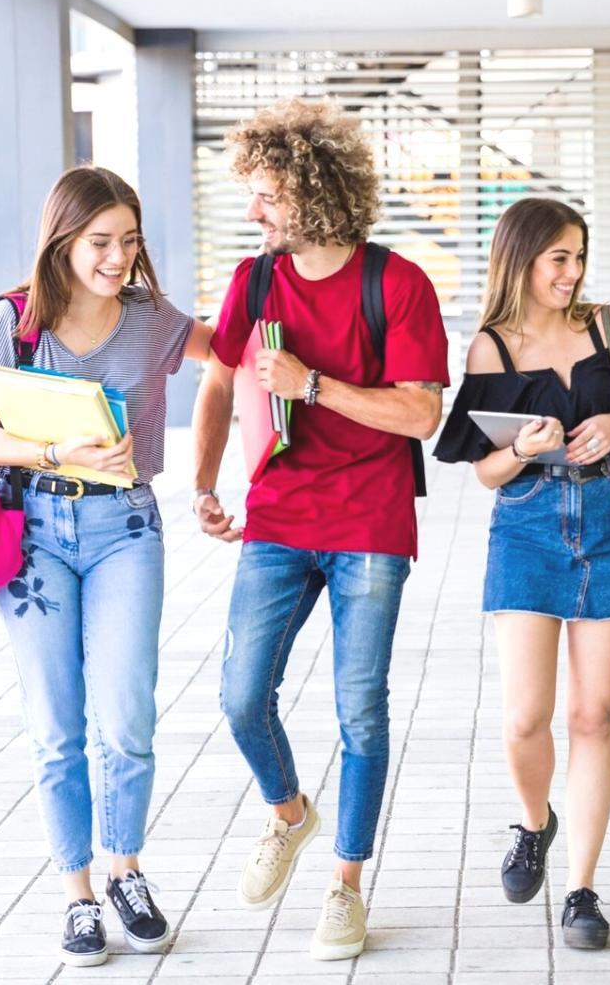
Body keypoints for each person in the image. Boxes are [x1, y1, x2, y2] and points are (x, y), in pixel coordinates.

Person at [189, 98, 449, 960]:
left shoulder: (397, 283)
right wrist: (202, 483)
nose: (254, 211)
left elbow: (420, 416)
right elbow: (221, 383)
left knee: (359, 712)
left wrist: (314, 385)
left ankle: (345, 884)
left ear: (313, 191)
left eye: (266, 194)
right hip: (277, 516)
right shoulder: (253, 281)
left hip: (370, 522)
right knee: (238, 694)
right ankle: (289, 815)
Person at [0, 165, 214, 967]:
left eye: (129, 241)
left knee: (127, 714)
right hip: (34, 533)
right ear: (63, 240)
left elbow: (237, 350)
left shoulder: (151, 317)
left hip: (125, 527)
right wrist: (51, 450)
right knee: (57, 725)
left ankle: (124, 870)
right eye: (101, 241)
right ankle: (76, 895)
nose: (116, 257)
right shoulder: (18, 321)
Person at [433, 197, 610, 949]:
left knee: (592, 716)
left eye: (579, 256)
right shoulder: (490, 347)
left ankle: (582, 889)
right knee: (524, 717)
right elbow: (485, 471)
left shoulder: (608, 325)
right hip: (526, 528)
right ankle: (535, 821)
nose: (572, 271)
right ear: (521, 259)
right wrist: (524, 447)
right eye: (558, 257)